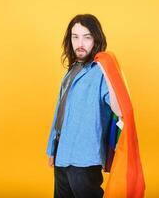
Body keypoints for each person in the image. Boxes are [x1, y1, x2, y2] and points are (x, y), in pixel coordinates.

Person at [45, 14, 112, 198]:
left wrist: (112, 70)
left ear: (96, 39)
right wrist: (52, 148)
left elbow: (118, 107)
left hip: (85, 158)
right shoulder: (71, 71)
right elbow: (60, 111)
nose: (79, 43)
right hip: (62, 154)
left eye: (86, 37)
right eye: (75, 36)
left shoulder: (101, 72)